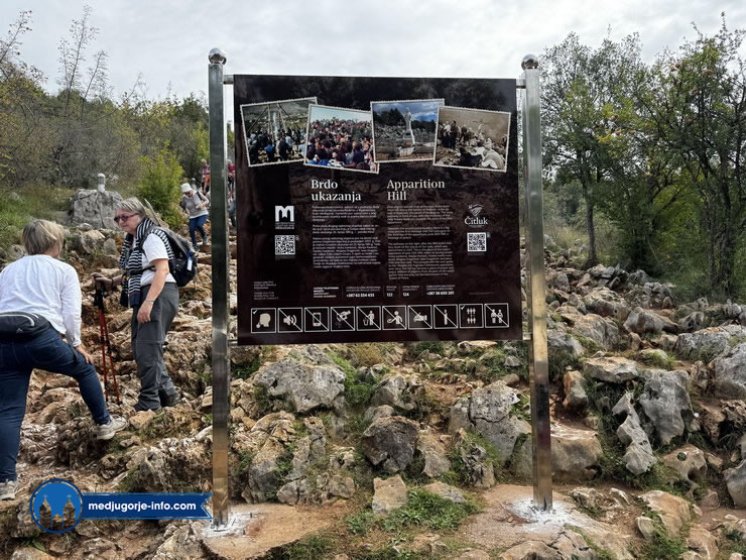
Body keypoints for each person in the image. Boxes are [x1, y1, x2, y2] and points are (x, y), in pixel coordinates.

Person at [0, 220, 127, 501]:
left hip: (4, 341)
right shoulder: (63, 269)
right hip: (40, 336)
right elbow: (71, 313)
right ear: (55, 242)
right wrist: (76, 344)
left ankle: (6, 482)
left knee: (8, 410)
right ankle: (104, 423)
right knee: (84, 369)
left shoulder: (8, 270)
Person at [93, 198, 181, 413]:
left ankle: (149, 401)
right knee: (143, 348)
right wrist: (112, 282)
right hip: (146, 294)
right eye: (117, 218)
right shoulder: (133, 240)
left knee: (147, 349)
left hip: (157, 294)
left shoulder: (150, 237)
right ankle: (168, 395)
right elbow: (138, 271)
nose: (121, 222)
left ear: (139, 216)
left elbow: (162, 270)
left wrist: (148, 303)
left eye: (125, 217)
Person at [179, 182, 209, 249]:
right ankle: (194, 245)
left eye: (188, 192)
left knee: (199, 225)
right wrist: (186, 211)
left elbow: (207, 201)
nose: (188, 194)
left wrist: (202, 205)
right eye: (186, 193)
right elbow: (183, 206)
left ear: (191, 190)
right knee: (191, 229)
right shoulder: (184, 198)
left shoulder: (197, 193)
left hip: (202, 213)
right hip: (193, 215)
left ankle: (204, 236)